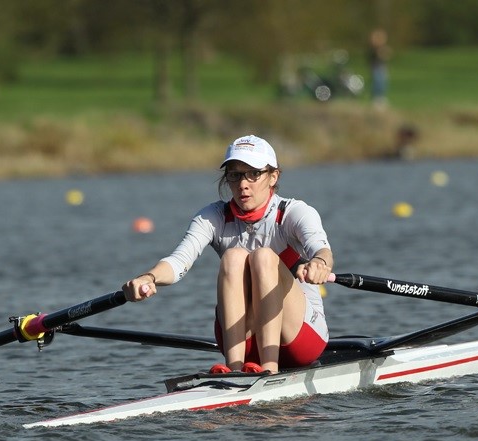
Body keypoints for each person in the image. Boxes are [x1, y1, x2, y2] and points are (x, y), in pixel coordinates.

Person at [123, 135, 334, 375]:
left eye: (253, 174)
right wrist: (149, 278)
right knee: (234, 257)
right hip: (242, 342)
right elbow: (179, 261)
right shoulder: (213, 217)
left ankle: (270, 370)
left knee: (263, 257)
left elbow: (321, 249)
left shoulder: (294, 212)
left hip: (299, 339)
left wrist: (319, 263)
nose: (243, 184)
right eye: (235, 175)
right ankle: (234, 370)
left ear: (273, 176)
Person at [367, 29, 390, 108]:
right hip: (376, 67)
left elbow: (386, 57)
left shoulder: (382, 48)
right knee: (377, 82)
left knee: (382, 83)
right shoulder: (373, 49)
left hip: (382, 68)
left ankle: (380, 98)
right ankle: (376, 99)